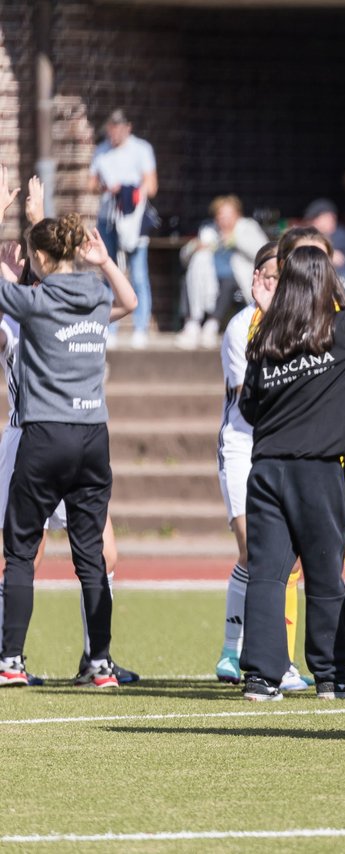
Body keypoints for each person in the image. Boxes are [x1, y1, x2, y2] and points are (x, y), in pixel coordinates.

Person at [0, 179, 139, 688]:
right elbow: (131, 300)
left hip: (45, 436)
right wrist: (103, 261)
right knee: (91, 556)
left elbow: (16, 290)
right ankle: (99, 664)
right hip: (92, 437)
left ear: (37, 259)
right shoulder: (96, 295)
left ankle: (10, 661)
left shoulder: (34, 304)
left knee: (19, 551)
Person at [237, 246, 345, 701]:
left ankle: (261, 678)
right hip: (317, 471)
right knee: (325, 575)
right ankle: (330, 677)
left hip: (267, 470)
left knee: (267, 575)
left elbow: (248, 407)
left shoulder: (267, 337)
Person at [211, 241, 312, 694]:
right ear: (255, 280)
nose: (275, 287)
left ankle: (251, 651)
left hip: (281, 448)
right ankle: (243, 652)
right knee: (257, 551)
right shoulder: (241, 327)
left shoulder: (304, 323)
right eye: (268, 278)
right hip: (242, 446)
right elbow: (254, 396)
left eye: (282, 279)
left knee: (277, 559)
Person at [89, 109, 156, 350]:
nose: (114, 133)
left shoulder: (141, 149)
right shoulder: (102, 150)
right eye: (110, 128)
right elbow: (91, 182)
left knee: (138, 273)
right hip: (108, 219)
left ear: (128, 127)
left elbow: (152, 185)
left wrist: (129, 192)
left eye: (118, 127)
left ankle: (141, 327)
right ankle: (110, 327)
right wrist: (107, 187)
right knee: (108, 272)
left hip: (132, 220)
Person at [176, 195, 269, 350]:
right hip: (208, 275)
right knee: (189, 278)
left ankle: (212, 324)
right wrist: (195, 247)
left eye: (228, 215)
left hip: (239, 276)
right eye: (220, 216)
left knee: (228, 281)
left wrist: (236, 240)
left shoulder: (247, 227)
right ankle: (192, 323)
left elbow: (263, 252)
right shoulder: (208, 230)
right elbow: (184, 257)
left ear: (237, 215)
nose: (224, 220)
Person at [304, 199, 345, 296]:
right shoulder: (322, 236)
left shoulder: (340, 236)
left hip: (341, 291)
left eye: (317, 217)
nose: (313, 222)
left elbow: (338, 259)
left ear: (331, 217)